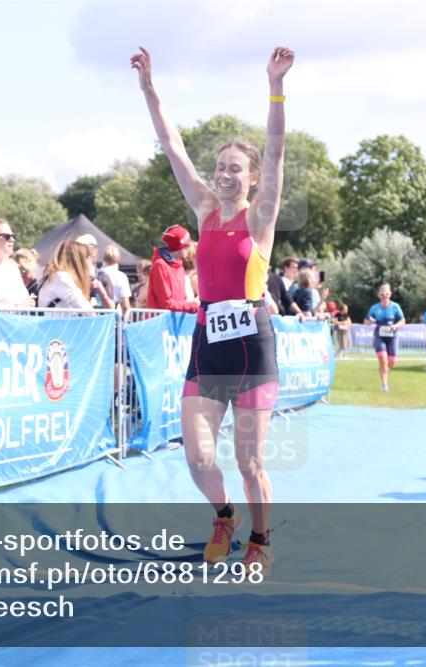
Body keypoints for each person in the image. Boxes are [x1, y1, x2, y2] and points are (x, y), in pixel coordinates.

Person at [132, 44, 293, 573]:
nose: (224, 174)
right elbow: (172, 144)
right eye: (220, 166)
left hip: (251, 345)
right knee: (198, 455)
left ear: (250, 180)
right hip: (209, 342)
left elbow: (276, 153)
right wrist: (150, 89)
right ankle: (225, 516)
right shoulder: (203, 209)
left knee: (250, 462)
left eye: (234, 169)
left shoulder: (260, 217)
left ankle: (262, 540)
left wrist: (275, 86)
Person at [38, 240, 114, 310]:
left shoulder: (58, 276)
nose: (91, 262)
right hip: (57, 324)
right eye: (88, 258)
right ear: (79, 261)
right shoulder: (61, 277)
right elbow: (87, 310)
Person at [146, 225, 200, 312]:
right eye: (187, 245)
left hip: (176, 322)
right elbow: (166, 305)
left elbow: (182, 299)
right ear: (179, 247)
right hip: (160, 323)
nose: (189, 247)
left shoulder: (179, 266)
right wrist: (194, 305)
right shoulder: (160, 265)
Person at [365, 283, 406, 393]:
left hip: (393, 336)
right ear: (379, 295)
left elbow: (403, 320)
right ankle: (384, 385)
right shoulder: (374, 308)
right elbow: (366, 320)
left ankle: (386, 368)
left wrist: (395, 326)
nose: (384, 295)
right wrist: (369, 322)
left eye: (386, 293)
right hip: (379, 335)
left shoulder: (395, 306)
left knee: (391, 362)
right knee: (383, 360)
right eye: (382, 293)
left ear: (390, 294)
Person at [101, 244, 133, 314]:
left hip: (97, 314)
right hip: (114, 315)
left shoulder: (97, 273)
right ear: (118, 258)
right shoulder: (121, 276)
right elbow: (125, 305)